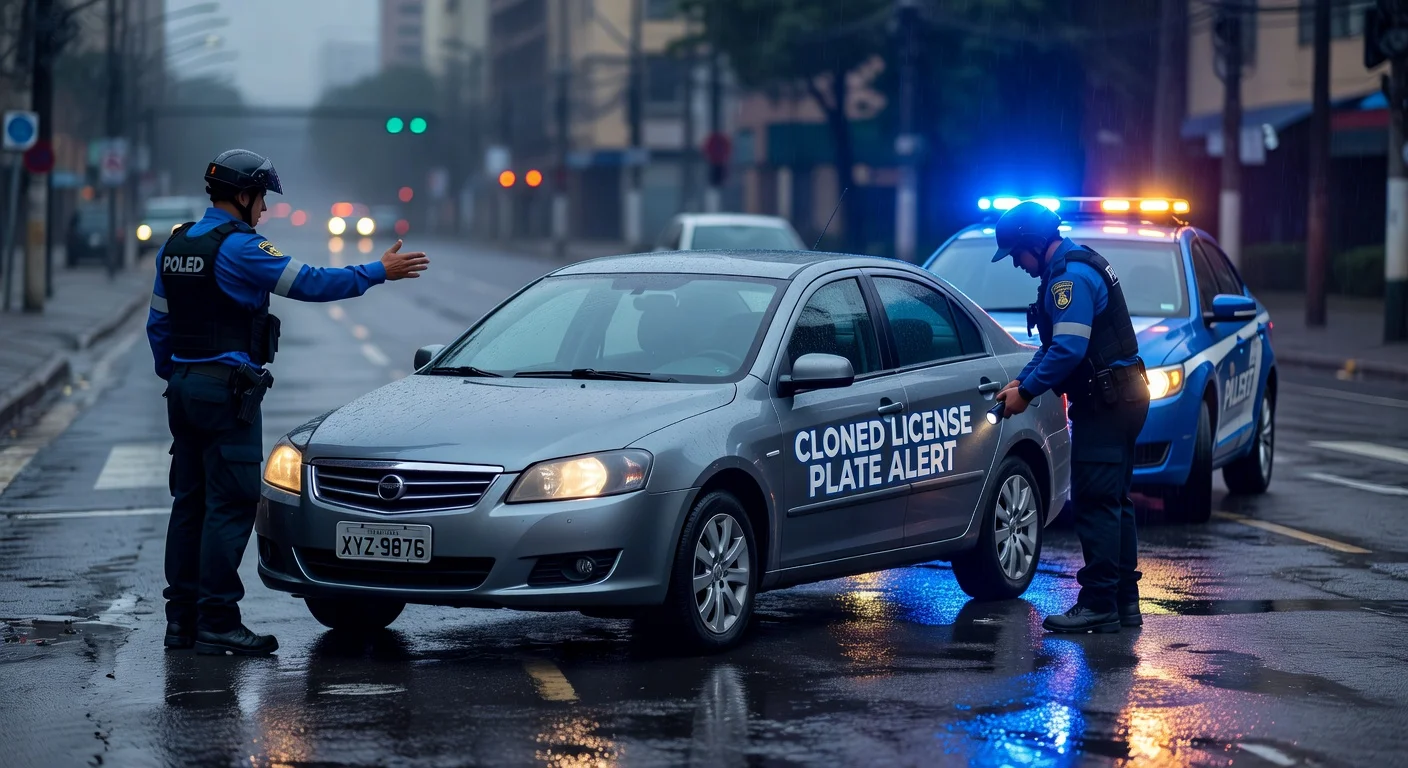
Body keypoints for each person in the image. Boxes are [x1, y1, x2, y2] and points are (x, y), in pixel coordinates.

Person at [147, 149, 429, 655]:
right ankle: (217, 620)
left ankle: (181, 622)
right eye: (262, 199)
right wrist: (377, 271)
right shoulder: (240, 248)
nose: (265, 210)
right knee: (229, 505)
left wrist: (182, 374)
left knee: (188, 505)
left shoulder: (176, 244)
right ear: (242, 195)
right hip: (224, 389)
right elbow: (311, 283)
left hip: (184, 387)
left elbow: (159, 325)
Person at [989, 201, 1150, 634]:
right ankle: (1122, 601)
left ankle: (1098, 603)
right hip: (1122, 398)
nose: (1018, 265)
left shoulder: (1069, 279)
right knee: (1114, 502)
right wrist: (1018, 384)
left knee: (1096, 503)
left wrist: (1027, 392)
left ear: (1035, 244)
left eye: (1017, 254)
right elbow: (1053, 346)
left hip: (1108, 404)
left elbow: (1068, 351)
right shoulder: (1073, 265)